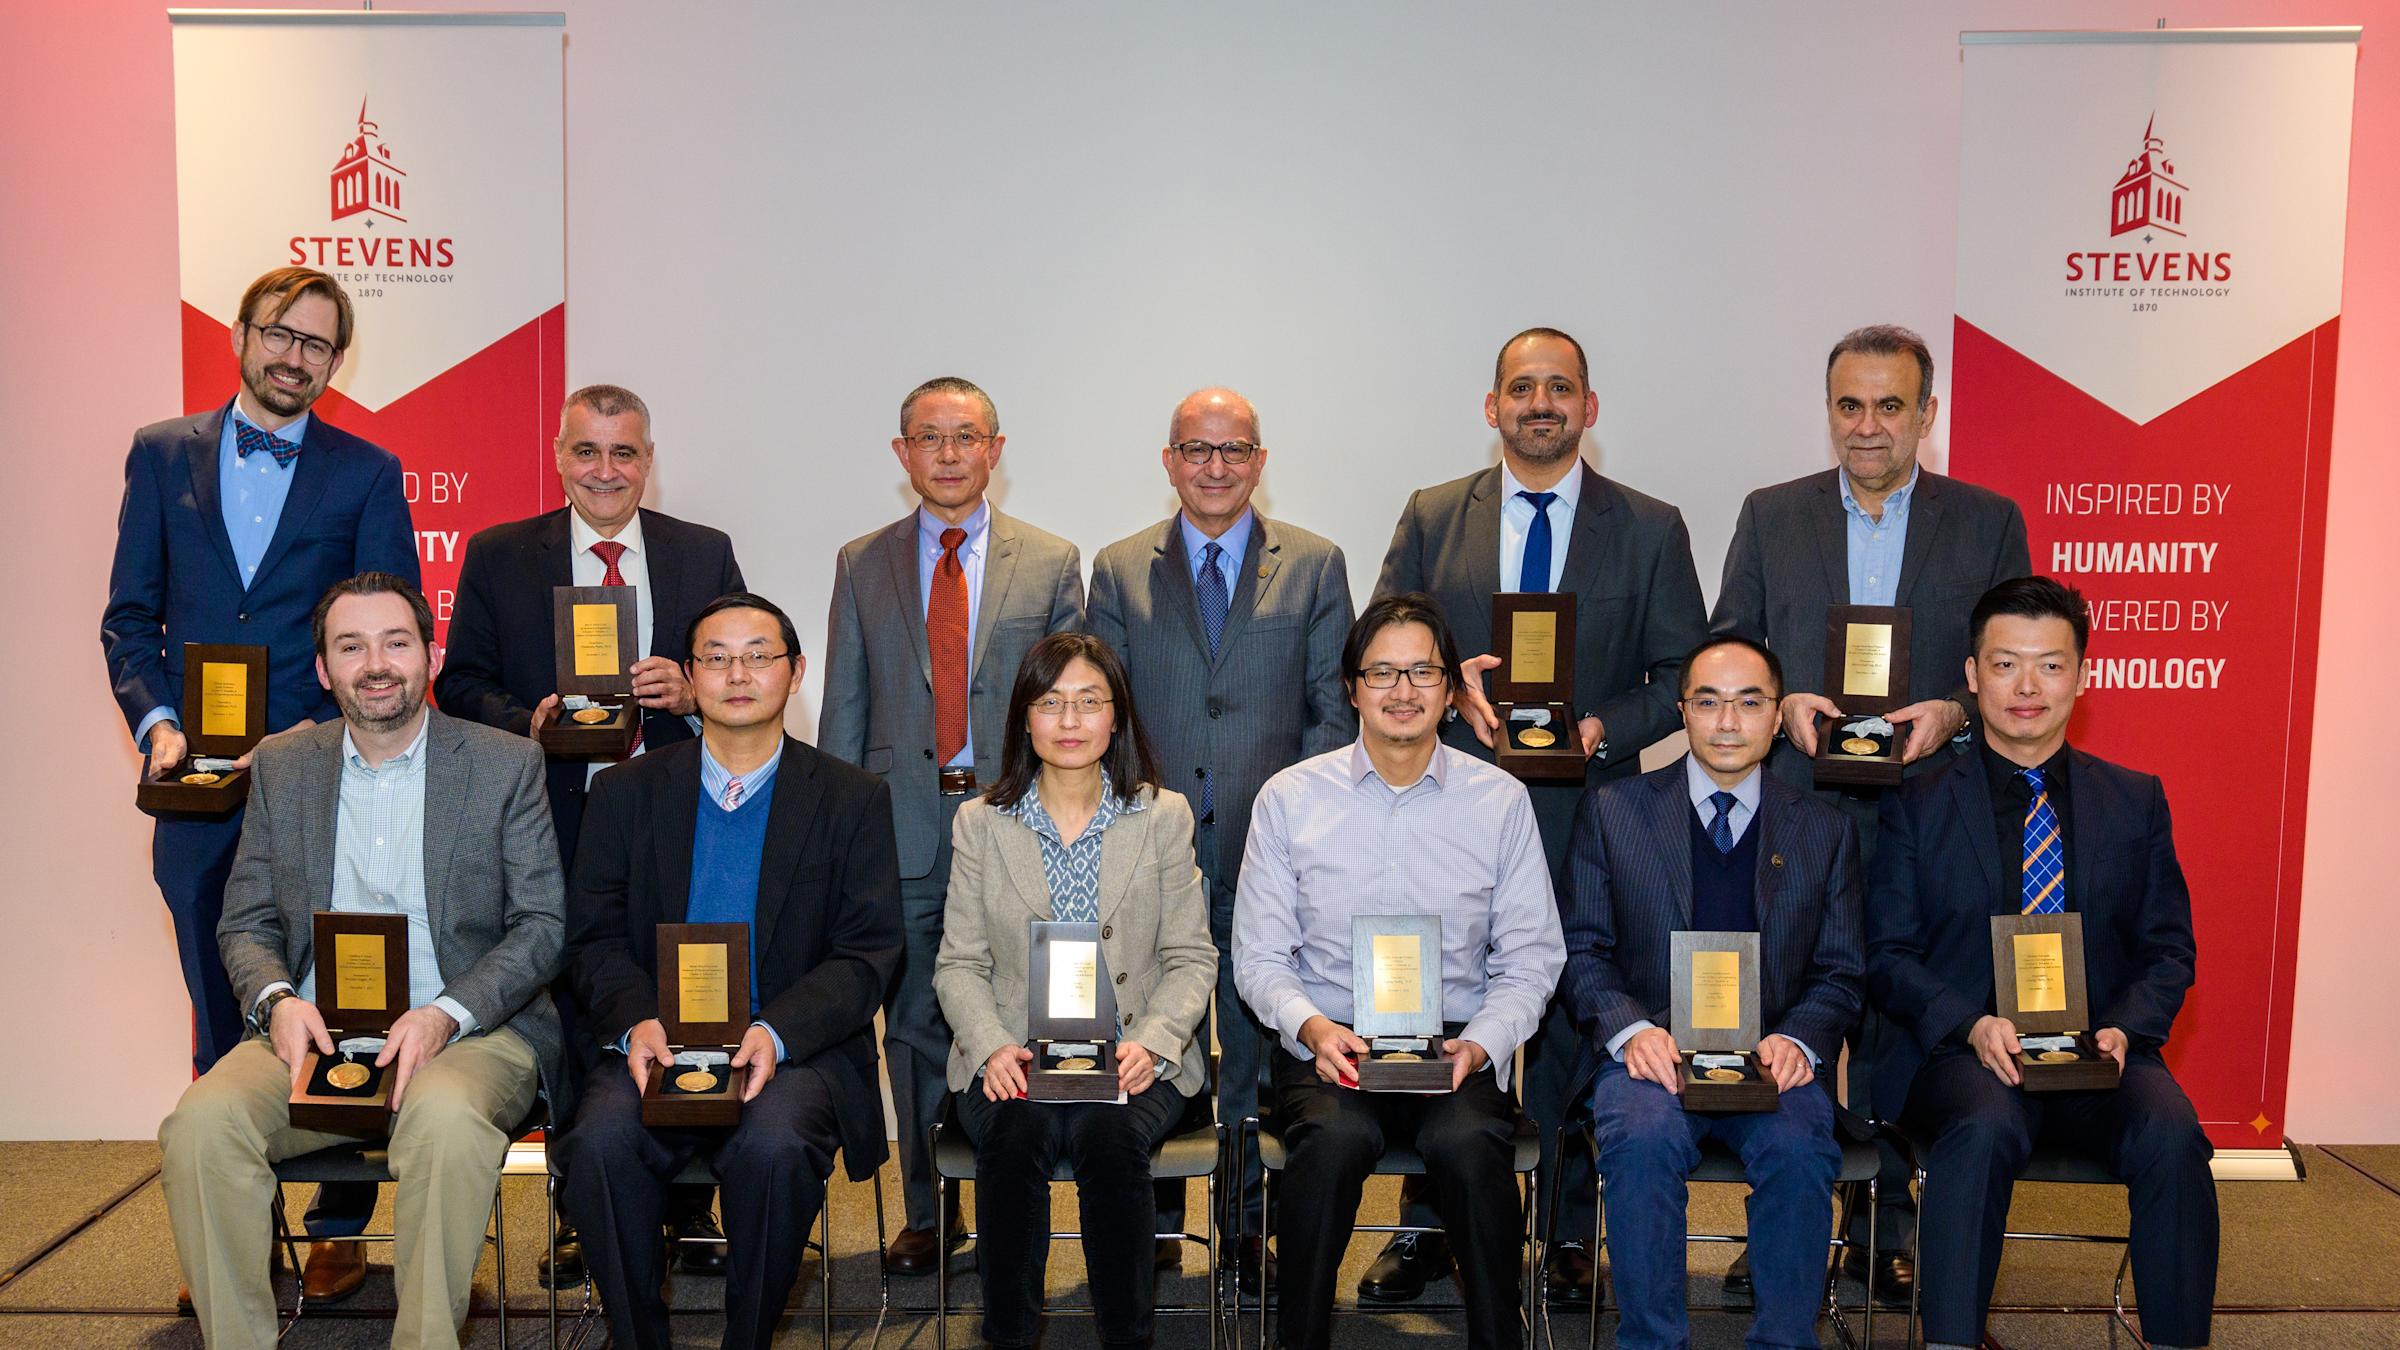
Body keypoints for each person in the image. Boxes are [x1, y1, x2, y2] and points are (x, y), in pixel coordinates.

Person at [103, 266, 420, 1302]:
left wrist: (303, 733)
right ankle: (227, 1237)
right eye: (280, 334)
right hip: (191, 799)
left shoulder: (368, 472)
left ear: (338, 362)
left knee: (339, 987)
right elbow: (128, 619)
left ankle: (339, 1220)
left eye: (318, 345)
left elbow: (385, 637)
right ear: (243, 335)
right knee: (216, 1000)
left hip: (320, 786)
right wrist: (157, 727)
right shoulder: (161, 454)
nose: (295, 356)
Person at [1373, 327, 1707, 1302]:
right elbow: (1389, 639)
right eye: (1522, 387)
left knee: (1572, 1013)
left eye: (1561, 387)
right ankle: (1429, 1228)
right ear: (1492, 408)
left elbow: (1682, 670)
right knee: (1438, 1004)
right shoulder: (1436, 515)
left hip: (1593, 814)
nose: (1541, 403)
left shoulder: (1650, 526)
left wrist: (1606, 725)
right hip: (1450, 802)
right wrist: (1446, 688)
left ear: (1589, 408)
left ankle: (1566, 1230)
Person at [157, 572, 567, 1349]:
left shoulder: (505, 763)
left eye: (396, 643)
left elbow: (543, 924)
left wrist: (445, 1014)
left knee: (444, 1121)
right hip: (308, 1033)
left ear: (431, 655)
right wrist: (278, 1000)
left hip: (472, 1030)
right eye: (351, 647)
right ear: (323, 669)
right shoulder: (283, 765)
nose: (376, 664)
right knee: (201, 1127)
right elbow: (243, 920)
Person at [1708, 324, 2030, 1299]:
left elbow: (2017, 652)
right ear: (1830, 410)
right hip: (1801, 805)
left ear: (1927, 414)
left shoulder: (1986, 521)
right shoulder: (1772, 516)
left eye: (1892, 406)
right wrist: (1782, 699)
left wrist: (1956, 710)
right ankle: (1784, 1223)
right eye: (1851, 405)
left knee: (1899, 1018)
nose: (1869, 426)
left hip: (1932, 809)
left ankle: (1887, 1225)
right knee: (1786, 1011)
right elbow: (1730, 643)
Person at [435, 383, 746, 1281]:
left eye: (624, 454)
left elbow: (744, 669)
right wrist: (523, 720)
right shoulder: (500, 555)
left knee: (690, 996)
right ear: (558, 455)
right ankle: (583, 1209)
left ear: (648, 460)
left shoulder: (701, 552)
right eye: (586, 452)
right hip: (555, 820)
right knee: (575, 1011)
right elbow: (460, 686)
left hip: (677, 814)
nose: (605, 471)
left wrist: (693, 695)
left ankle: (690, 1207)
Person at [1869, 577, 2216, 1350]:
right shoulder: (1914, 804)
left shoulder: (2135, 800)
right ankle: (1951, 1341)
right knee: (1985, 1125)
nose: (2027, 687)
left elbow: (2168, 949)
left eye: (2050, 666)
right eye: (2005, 664)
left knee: (2173, 1133)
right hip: (1964, 1055)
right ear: (1971, 675)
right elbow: (1887, 954)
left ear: (2083, 676)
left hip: (2098, 1056)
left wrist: (2125, 1029)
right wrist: (1970, 1023)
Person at [557, 592, 902, 1350]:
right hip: (652, 1041)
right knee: (601, 1141)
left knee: (773, 1149)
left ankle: (748, 1340)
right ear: (688, 675)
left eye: (759, 656)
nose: (737, 673)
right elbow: (591, 941)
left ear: (796, 672)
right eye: (715, 657)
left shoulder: (851, 799)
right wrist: (638, 1023)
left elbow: (867, 953)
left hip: (788, 1053)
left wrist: (776, 1033)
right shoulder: (625, 792)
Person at [1235, 593, 1565, 1350]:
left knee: (1468, 1144)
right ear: (1350, 688)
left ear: (1451, 691)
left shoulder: (1501, 802)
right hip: (1331, 1044)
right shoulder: (1290, 800)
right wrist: (1312, 1028)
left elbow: (1531, 957)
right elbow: (1257, 955)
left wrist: (1481, 1045)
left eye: (1423, 671)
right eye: (1382, 672)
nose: (1403, 690)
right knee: (1331, 1142)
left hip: (1453, 1046)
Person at [1085, 387, 1354, 1286]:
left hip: (1267, 851)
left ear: (1260, 461)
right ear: (1168, 461)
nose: (1215, 466)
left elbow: (1330, 713)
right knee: (1153, 1041)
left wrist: (1293, 827)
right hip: (1148, 860)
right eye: (1196, 450)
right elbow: (1107, 717)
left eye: (1234, 449)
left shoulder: (1314, 565)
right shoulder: (1120, 569)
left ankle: (1242, 1230)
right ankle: (1156, 1226)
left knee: (1250, 1055)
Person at [821, 376, 1085, 1274]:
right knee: (912, 1032)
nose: (946, 453)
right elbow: (847, 709)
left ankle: (1004, 1198)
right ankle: (927, 1212)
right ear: (902, 455)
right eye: (927, 437)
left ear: (995, 449)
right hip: (897, 831)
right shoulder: (862, 561)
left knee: (1011, 1013)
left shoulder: (1050, 562)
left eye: (964, 435)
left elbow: (1071, 705)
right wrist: (839, 840)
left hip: (1012, 822)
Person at [1558, 636, 1863, 1350]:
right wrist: (1632, 1031)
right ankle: (1653, 1342)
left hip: (1769, 1057)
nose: (1728, 721)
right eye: (1709, 702)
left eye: (1750, 702)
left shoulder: (1823, 829)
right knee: (1642, 1136)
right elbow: (1581, 949)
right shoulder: (1614, 811)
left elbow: (1842, 970)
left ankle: (1786, 1343)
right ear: (1682, 713)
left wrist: (1799, 1040)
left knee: (1799, 1147)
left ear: (1776, 714)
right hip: (1651, 1055)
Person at [934, 632, 1216, 1348]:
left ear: (1115, 716)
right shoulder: (981, 823)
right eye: (1050, 702)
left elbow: (1190, 957)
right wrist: (994, 1047)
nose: (1069, 721)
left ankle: (1128, 1337)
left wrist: (1152, 1043)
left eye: (1089, 702)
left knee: (1109, 1131)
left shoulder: (1162, 816)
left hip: (1133, 1054)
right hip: (1012, 1052)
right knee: (1018, 1130)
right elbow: (958, 965)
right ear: (1024, 718)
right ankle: (1009, 1335)